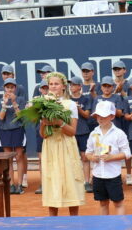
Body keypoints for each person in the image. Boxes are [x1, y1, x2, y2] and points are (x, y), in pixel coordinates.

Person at [40, 72, 85, 215]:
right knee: (52, 183)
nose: (53, 87)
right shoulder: (42, 104)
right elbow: (43, 135)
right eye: (51, 84)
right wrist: (44, 123)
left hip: (66, 147)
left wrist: (59, 122)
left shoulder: (70, 104)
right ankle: (53, 223)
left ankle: (74, 222)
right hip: (51, 148)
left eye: (56, 84)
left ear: (63, 87)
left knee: (71, 182)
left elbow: (72, 131)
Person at [86, 100, 131, 215]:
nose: (100, 119)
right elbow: (87, 153)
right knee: (103, 203)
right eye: (97, 116)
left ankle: (121, 227)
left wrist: (112, 157)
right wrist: (92, 158)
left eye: (103, 116)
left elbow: (127, 153)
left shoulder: (119, 133)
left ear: (111, 116)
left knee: (118, 203)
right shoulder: (93, 134)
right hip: (98, 175)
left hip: (113, 175)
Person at [0, 78, 27, 195]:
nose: (9, 89)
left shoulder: (20, 99)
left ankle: (19, 184)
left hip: (18, 130)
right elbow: (0, 117)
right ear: (4, 88)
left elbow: (20, 116)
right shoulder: (1, 100)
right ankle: (11, 184)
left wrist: (14, 102)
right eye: (7, 87)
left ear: (15, 88)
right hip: (5, 131)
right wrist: (5, 104)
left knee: (19, 157)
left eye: (12, 87)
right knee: (9, 159)